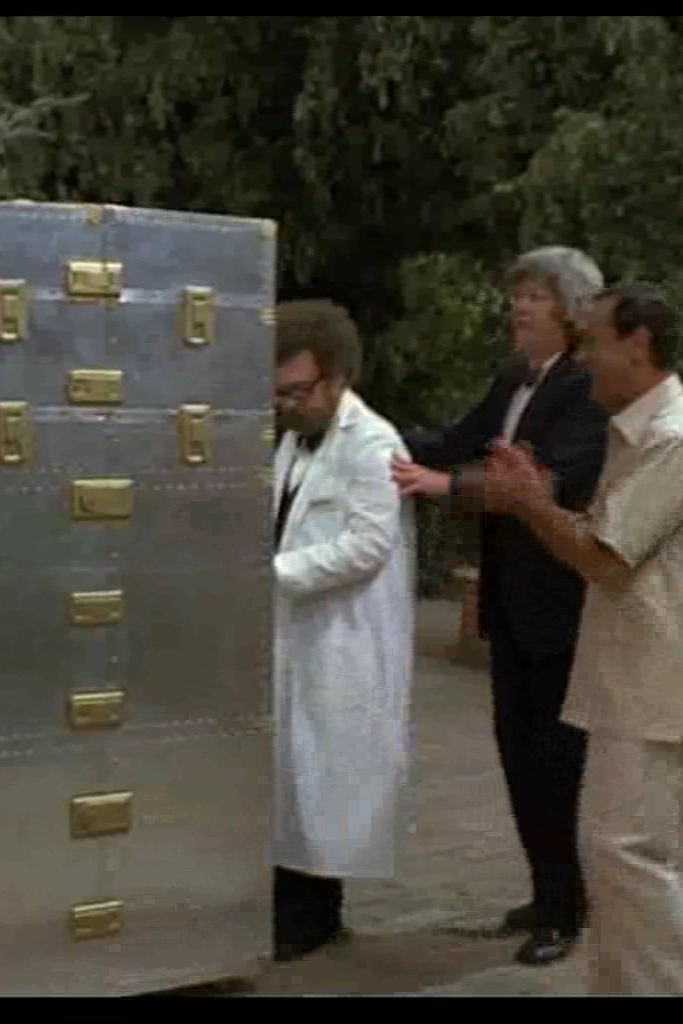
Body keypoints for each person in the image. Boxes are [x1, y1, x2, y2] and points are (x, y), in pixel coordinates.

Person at [479, 282, 683, 994]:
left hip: (657, 677)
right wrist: (540, 497)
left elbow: (601, 555)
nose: (584, 356)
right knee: (610, 849)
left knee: (630, 853)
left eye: (593, 340)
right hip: (629, 673)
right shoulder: (640, 431)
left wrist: (529, 502)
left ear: (638, 344)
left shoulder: (675, 439)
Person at [390, 246, 609, 966]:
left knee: (554, 762)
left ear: (572, 312)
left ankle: (565, 913)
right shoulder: (514, 378)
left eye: (537, 296)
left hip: (559, 604)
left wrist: (448, 488)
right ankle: (545, 893)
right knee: (517, 755)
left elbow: (553, 481)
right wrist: (368, 428)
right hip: (510, 602)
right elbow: (452, 442)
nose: (519, 308)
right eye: (518, 295)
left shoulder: (583, 387)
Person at [269, 299, 417, 962]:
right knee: (291, 774)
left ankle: (315, 916)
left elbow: (367, 544)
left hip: (343, 640)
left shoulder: (373, 444)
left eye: (297, 391)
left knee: (326, 777)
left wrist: (273, 572)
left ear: (336, 378)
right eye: (278, 393)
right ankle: (288, 903)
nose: (286, 405)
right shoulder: (295, 439)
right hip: (297, 632)